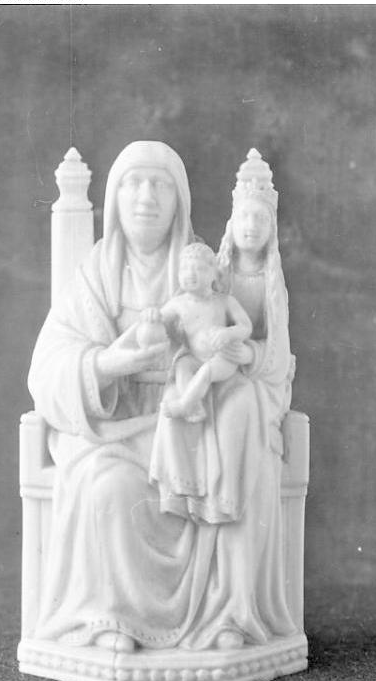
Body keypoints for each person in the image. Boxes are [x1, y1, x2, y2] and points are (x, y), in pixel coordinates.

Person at [28, 142, 297, 654]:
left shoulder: (202, 265)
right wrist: (109, 364)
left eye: (161, 185)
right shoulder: (96, 273)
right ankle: (112, 619)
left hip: (189, 421)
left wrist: (225, 355)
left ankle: (225, 614)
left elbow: (250, 338)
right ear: (114, 198)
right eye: (133, 183)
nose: (146, 197)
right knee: (108, 488)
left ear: (180, 201)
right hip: (120, 427)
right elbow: (47, 365)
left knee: (228, 465)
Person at [140, 242, 252, 424]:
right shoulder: (178, 304)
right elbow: (160, 318)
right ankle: (195, 407)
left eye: (199, 268)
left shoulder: (224, 301)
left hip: (223, 357)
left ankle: (184, 405)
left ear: (214, 274)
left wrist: (228, 333)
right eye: (184, 269)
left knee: (206, 371)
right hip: (195, 357)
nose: (190, 274)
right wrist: (151, 315)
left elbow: (245, 327)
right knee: (182, 366)